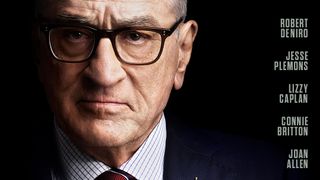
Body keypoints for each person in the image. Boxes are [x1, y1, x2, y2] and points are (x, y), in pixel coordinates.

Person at [31, 0, 307, 179]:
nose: (104, 74)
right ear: (38, 49)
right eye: (75, 34)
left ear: (182, 53)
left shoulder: (274, 171)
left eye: (136, 36)